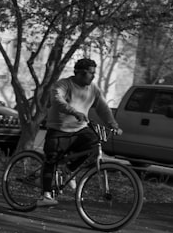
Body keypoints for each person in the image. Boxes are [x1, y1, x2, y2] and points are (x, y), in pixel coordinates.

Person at [38, 58, 122, 207]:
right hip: (58, 130)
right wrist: (74, 112)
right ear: (79, 73)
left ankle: (68, 169)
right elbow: (57, 99)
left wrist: (113, 125)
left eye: (94, 73)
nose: (93, 76)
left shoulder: (93, 90)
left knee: (95, 146)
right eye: (90, 73)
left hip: (80, 129)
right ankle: (45, 195)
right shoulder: (64, 84)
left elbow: (103, 108)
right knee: (51, 159)